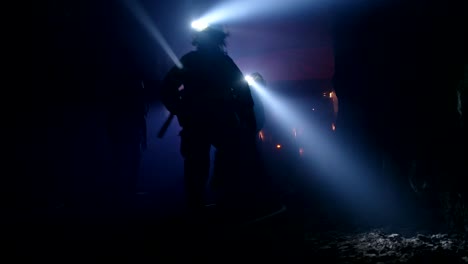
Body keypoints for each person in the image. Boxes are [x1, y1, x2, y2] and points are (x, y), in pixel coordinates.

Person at [160, 25, 282, 222]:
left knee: (199, 166)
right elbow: (244, 95)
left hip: (200, 123)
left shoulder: (191, 60)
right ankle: (223, 204)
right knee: (222, 162)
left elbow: (166, 88)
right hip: (219, 121)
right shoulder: (222, 61)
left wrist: (180, 109)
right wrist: (248, 121)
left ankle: (200, 209)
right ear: (218, 41)